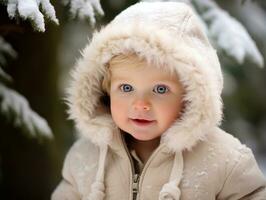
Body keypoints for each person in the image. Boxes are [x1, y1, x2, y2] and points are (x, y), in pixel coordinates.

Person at [52, 2, 266, 200]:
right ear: (106, 90)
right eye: (126, 88)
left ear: (191, 96)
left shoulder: (225, 159)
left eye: (160, 89)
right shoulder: (85, 157)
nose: (140, 104)